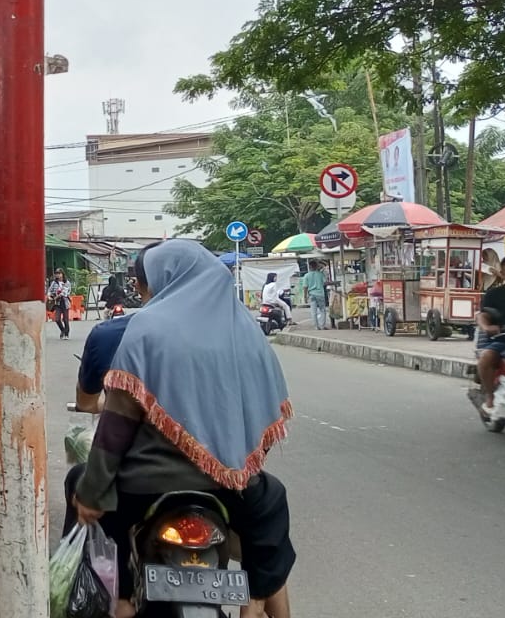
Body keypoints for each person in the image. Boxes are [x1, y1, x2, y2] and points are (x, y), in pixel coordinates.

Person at [65, 240, 295, 618]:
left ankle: (120, 601)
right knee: (271, 502)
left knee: (85, 487)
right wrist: (239, 467)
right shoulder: (245, 331)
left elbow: (116, 427)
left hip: (144, 485)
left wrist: (90, 493)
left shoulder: (147, 327)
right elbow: (264, 415)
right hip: (230, 486)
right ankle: (256, 600)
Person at [474, 254, 505, 419]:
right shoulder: (494, 294)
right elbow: (483, 315)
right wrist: (487, 327)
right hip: (504, 339)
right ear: (503, 273)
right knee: (486, 358)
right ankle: (490, 397)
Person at [302, 261, 328, 330]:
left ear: (309, 267)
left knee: (313, 311)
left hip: (311, 294)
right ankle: (322, 325)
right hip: (320, 294)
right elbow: (325, 283)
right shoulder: (320, 274)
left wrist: (305, 296)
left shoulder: (306, 275)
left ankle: (316, 326)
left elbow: (305, 287)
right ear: (316, 266)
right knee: (322, 310)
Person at [48, 269, 73, 339]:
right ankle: (62, 330)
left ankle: (66, 333)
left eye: (59, 273)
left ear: (62, 274)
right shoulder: (54, 282)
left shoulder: (67, 282)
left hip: (65, 302)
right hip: (57, 303)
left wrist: (59, 295)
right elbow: (49, 290)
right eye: (56, 273)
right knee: (57, 319)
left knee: (65, 319)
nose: (57, 275)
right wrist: (49, 296)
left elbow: (66, 292)